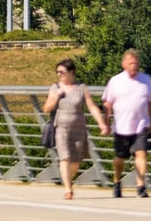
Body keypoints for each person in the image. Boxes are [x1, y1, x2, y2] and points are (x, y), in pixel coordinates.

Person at [43, 58, 109, 200]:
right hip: (61, 127)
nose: (59, 74)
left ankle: (68, 179)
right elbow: (46, 109)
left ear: (71, 72)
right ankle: (68, 189)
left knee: (76, 161)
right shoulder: (55, 87)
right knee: (65, 158)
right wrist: (55, 97)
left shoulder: (81, 88)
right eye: (57, 72)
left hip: (79, 128)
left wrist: (102, 123)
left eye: (62, 72)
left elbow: (91, 106)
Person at [102, 49, 151, 198]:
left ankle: (141, 186)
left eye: (136, 63)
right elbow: (107, 104)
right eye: (130, 63)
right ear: (124, 64)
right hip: (121, 126)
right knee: (120, 158)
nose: (133, 66)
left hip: (141, 124)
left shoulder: (146, 80)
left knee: (142, 153)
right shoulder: (116, 81)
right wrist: (105, 123)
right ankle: (117, 181)